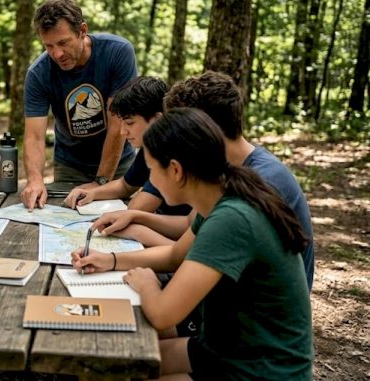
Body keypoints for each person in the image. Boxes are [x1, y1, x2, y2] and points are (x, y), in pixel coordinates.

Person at [74, 108, 313, 380]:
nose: (150, 181)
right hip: (226, 350)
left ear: (175, 170)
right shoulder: (219, 196)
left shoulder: (231, 218)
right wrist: (111, 260)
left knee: (120, 369)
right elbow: (176, 254)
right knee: (111, 362)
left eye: (152, 170)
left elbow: (164, 314)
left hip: (261, 370)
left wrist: (148, 284)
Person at [90, 71, 315, 289]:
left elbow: (188, 257)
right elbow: (190, 226)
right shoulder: (228, 170)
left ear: (204, 130)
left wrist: (135, 242)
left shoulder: (256, 185)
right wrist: (135, 217)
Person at [21, 0, 138, 211]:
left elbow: (117, 126)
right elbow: (34, 136)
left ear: (82, 31)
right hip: (69, 166)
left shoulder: (117, 52)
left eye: (63, 43)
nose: (57, 53)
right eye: (49, 46)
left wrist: (100, 182)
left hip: (120, 164)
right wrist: (35, 180)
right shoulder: (38, 73)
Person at [63, 77, 191, 246]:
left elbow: (137, 207)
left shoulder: (171, 151)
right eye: (122, 123)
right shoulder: (150, 146)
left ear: (157, 119)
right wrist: (94, 193)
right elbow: (126, 185)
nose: (123, 132)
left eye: (130, 123)